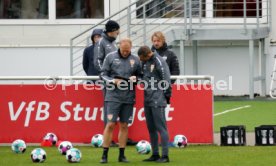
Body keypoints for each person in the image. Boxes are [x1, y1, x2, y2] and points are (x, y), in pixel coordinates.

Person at [100, 38, 142, 163]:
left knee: (124, 125)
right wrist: (113, 81)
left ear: (131, 48)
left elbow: (141, 75)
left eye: (127, 51)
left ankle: (122, 155)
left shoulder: (135, 59)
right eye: (123, 50)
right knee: (111, 124)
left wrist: (137, 78)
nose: (125, 53)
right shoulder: (110, 57)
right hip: (113, 97)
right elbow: (102, 74)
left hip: (128, 97)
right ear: (119, 47)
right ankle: (104, 155)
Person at [137, 46, 171, 163]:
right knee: (151, 128)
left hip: (158, 99)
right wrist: (136, 78)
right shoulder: (145, 62)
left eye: (142, 58)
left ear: (147, 55)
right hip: (147, 99)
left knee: (161, 128)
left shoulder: (159, 61)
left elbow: (166, 79)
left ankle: (165, 156)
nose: (141, 61)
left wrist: (166, 96)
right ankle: (155, 154)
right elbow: (144, 77)